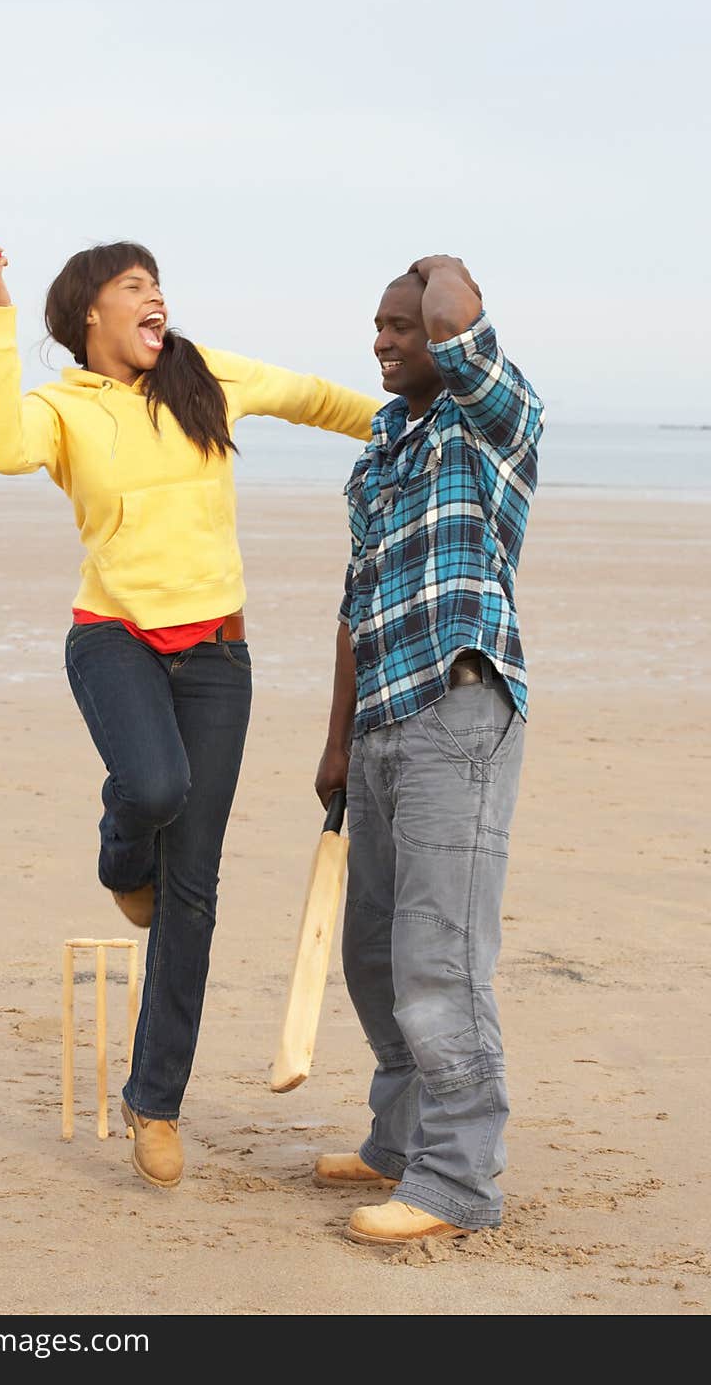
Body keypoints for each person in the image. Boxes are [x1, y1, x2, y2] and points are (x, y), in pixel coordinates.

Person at [0, 237, 378, 1189]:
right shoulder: (62, 407)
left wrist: (411, 422)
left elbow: (316, 397)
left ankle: (154, 1103)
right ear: (89, 316)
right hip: (115, 637)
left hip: (218, 652)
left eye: (157, 286)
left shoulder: (203, 377)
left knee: (194, 890)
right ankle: (119, 852)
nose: (156, 301)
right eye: (133, 287)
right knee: (153, 785)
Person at [313, 255, 544, 1245]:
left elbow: (457, 309)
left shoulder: (490, 421)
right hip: (378, 724)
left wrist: (432, 269)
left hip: (459, 709)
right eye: (376, 325)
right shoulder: (376, 454)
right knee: (371, 953)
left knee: (436, 955)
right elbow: (354, 607)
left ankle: (455, 1183)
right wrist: (335, 745)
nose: (382, 340)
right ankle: (396, 1142)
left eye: (400, 326)